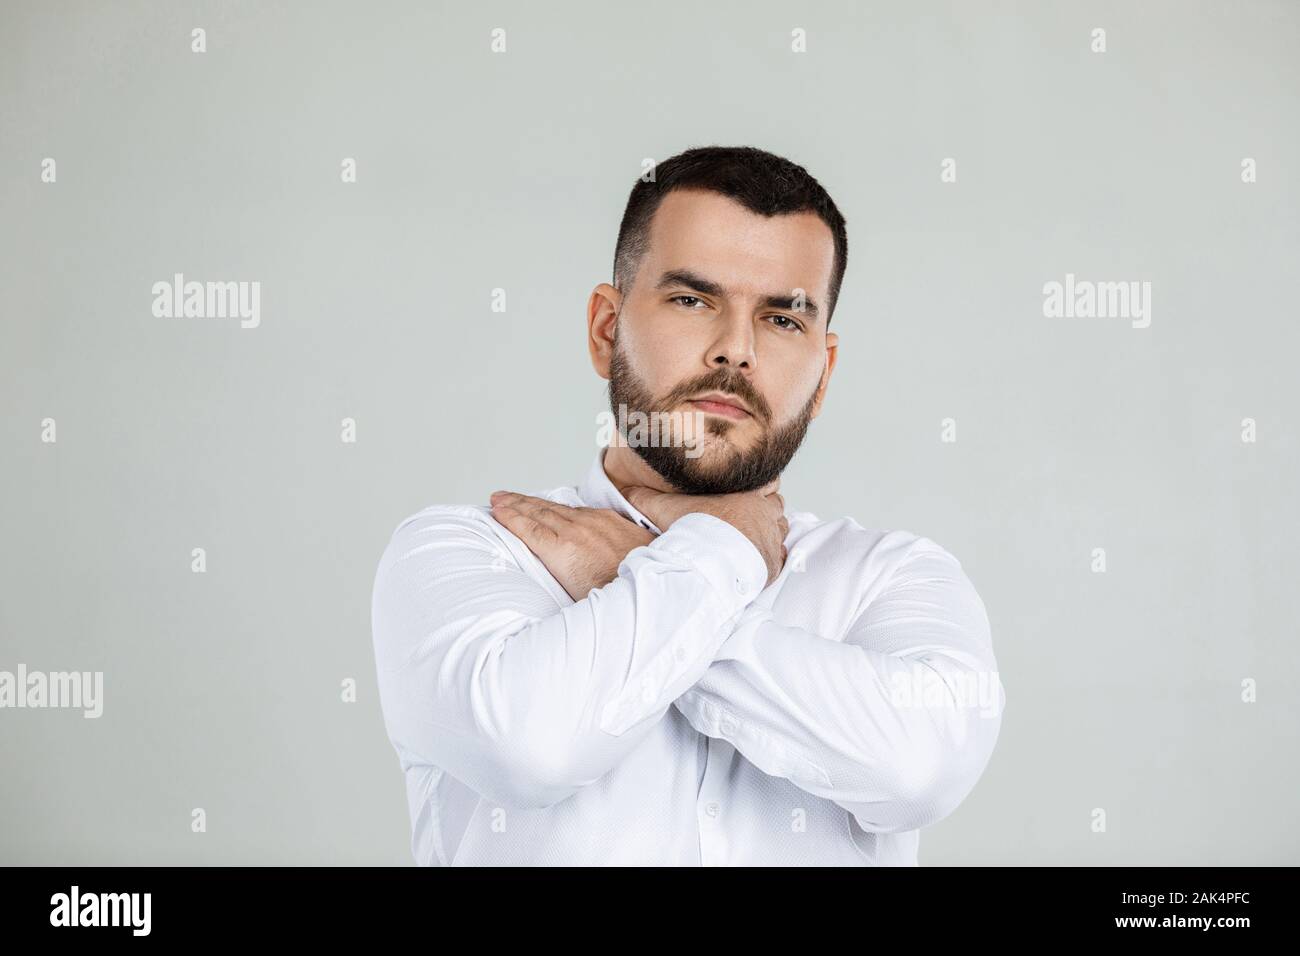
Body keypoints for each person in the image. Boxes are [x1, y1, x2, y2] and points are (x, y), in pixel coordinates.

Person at [371, 145, 1005, 865]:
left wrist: (641, 568)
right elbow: (532, 750)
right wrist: (720, 552)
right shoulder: (469, 550)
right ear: (605, 329)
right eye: (692, 300)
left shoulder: (893, 576)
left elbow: (917, 771)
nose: (735, 351)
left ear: (823, 375)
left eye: (782, 319)